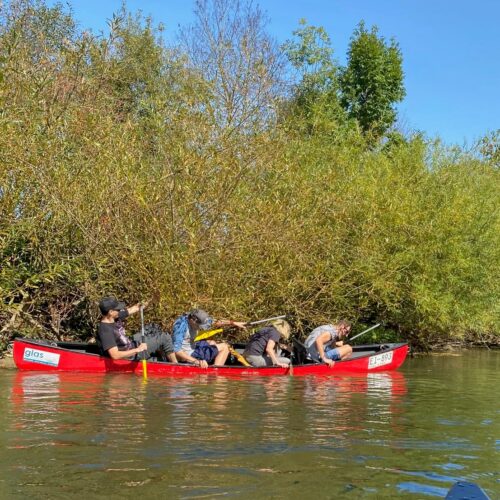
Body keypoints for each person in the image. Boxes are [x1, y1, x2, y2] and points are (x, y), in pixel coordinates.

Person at [97, 296, 177, 362]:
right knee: (164, 336)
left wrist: (152, 298)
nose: (120, 310)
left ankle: (159, 358)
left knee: (154, 327)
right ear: (111, 312)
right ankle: (176, 366)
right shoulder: (105, 330)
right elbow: (115, 355)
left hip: (131, 344)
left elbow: (135, 308)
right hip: (131, 355)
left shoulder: (115, 316)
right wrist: (138, 350)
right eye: (117, 309)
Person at [172, 309, 246, 368]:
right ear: (193, 320)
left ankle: (212, 363)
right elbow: (177, 351)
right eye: (199, 326)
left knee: (212, 342)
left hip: (193, 345)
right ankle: (215, 373)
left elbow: (215, 322)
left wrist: (233, 323)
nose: (200, 328)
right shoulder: (180, 328)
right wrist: (196, 361)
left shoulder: (191, 317)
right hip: (188, 354)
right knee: (225, 347)